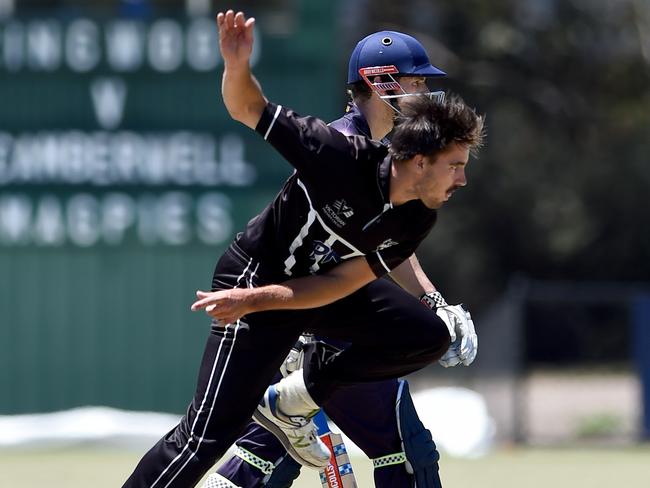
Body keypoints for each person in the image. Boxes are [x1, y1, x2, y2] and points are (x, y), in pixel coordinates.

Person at [122, 10, 484, 488]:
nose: (426, 97)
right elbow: (247, 107)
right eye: (417, 84)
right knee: (208, 436)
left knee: (424, 335)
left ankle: (295, 399)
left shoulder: (412, 187)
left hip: (322, 292)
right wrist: (236, 64)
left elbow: (371, 252)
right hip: (260, 280)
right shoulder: (337, 148)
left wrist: (433, 301)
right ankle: (282, 409)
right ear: (381, 83)